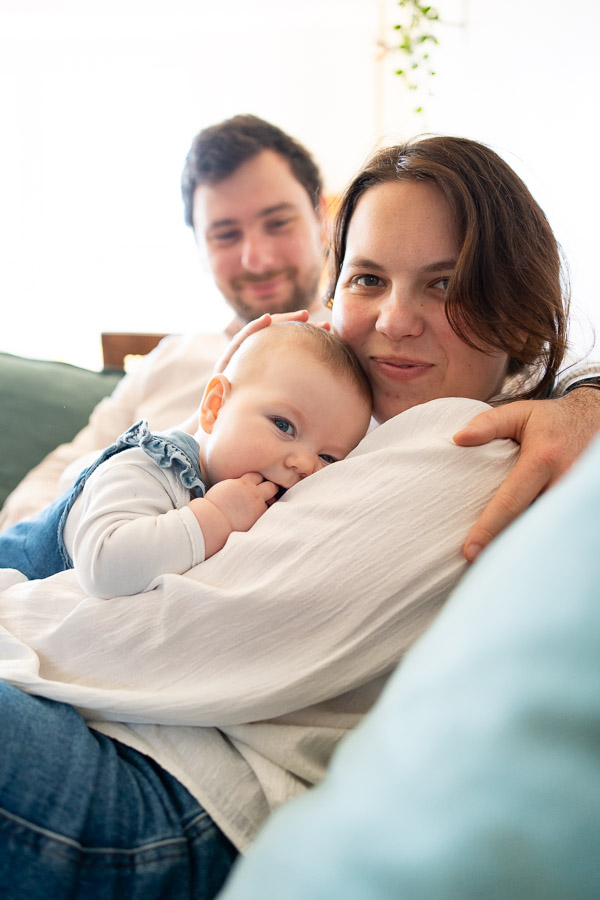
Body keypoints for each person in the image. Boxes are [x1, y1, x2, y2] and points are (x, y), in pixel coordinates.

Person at [0, 135, 586, 899]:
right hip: (125, 702)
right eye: (370, 278)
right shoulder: (350, 404)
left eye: (446, 285)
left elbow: (186, 638)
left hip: (176, 787)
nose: (396, 320)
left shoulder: (465, 446)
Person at [1, 116, 599, 565]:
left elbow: (534, 355)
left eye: (277, 222)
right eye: (225, 233)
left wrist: (587, 401)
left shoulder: (375, 362)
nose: (255, 256)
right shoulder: (169, 361)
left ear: (320, 219)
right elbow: (59, 472)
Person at [219, 438, 600, 900]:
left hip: (206, 783)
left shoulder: (464, 438)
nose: (302, 462)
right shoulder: (336, 416)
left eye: (327, 457)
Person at [0, 324, 371, 597]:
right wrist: (216, 518)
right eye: (283, 425)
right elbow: (104, 568)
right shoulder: (148, 467)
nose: (305, 464)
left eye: (327, 456)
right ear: (213, 407)